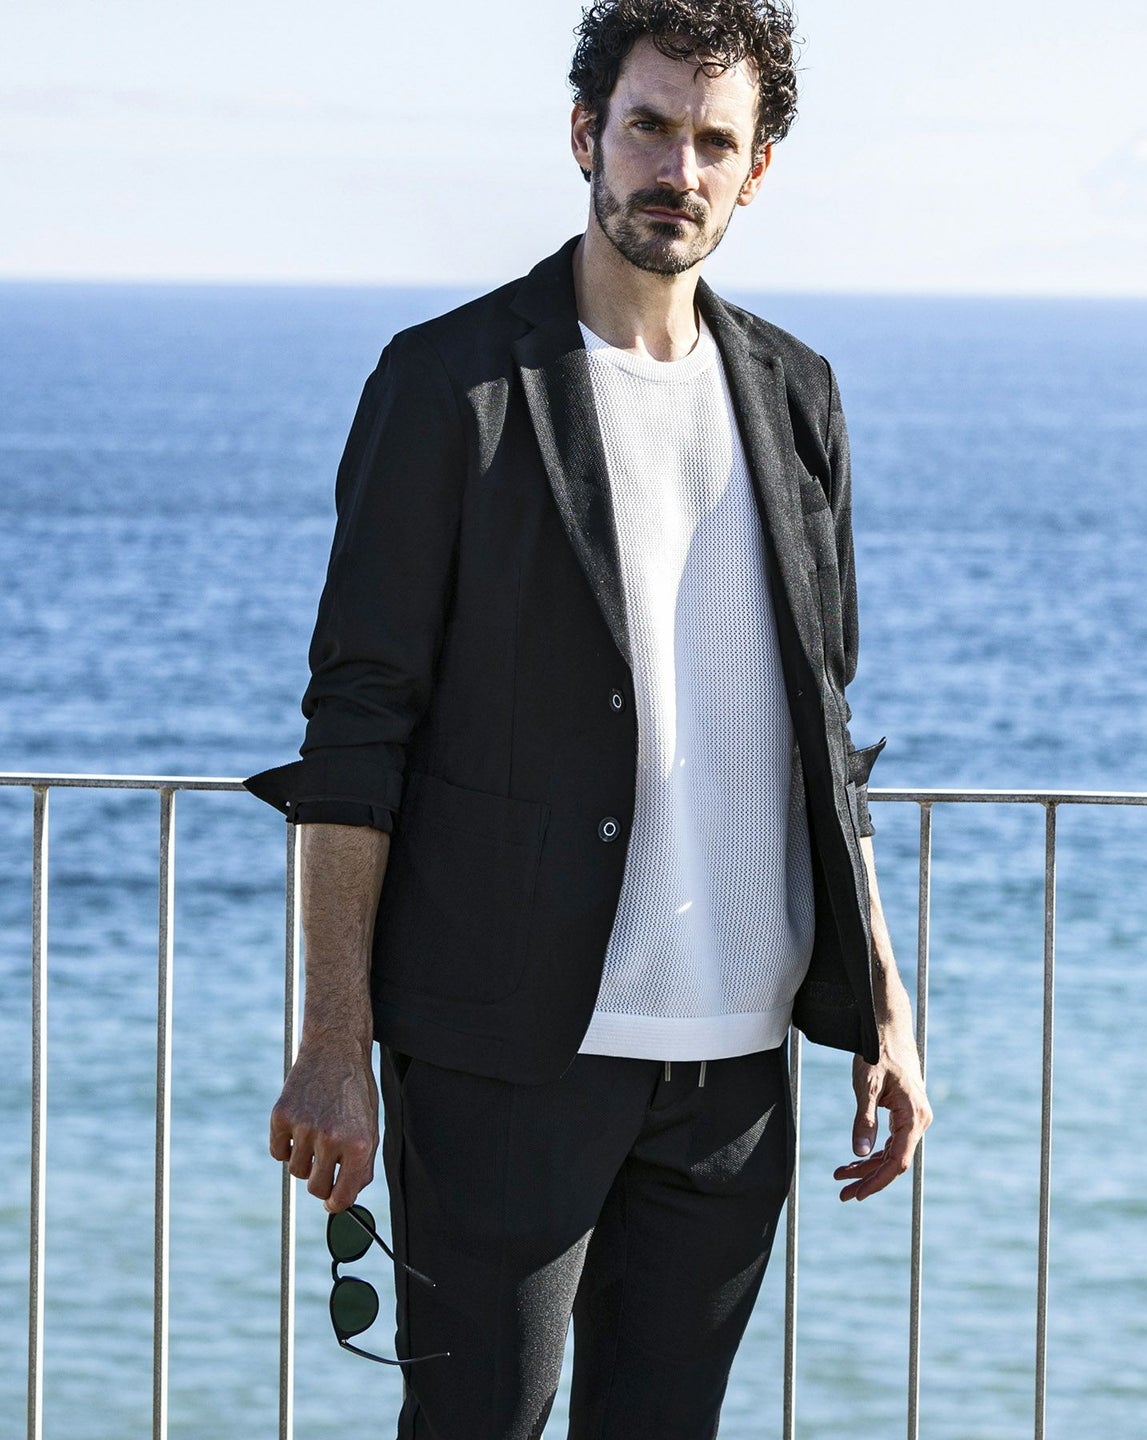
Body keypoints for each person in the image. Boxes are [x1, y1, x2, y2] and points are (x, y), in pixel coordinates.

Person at [247, 1, 931, 1434]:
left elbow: (827, 719)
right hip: (505, 1049)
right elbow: (357, 730)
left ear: (756, 171)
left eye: (715, 141)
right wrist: (333, 1040)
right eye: (649, 127)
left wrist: (881, 996)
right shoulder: (448, 385)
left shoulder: (797, 396)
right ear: (585, 135)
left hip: (736, 1057)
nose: (678, 168)